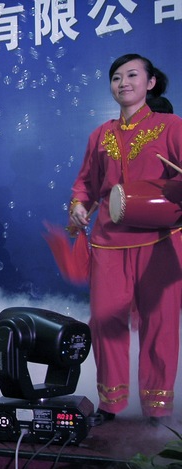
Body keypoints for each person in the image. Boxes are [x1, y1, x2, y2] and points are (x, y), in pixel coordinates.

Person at [68, 53, 182, 423]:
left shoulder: (171, 126)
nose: (123, 83)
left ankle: (157, 406)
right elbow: (86, 182)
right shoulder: (100, 134)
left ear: (151, 82)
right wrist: (79, 205)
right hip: (109, 239)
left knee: (160, 321)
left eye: (132, 75)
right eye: (116, 77)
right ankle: (111, 402)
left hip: (160, 238)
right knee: (105, 318)